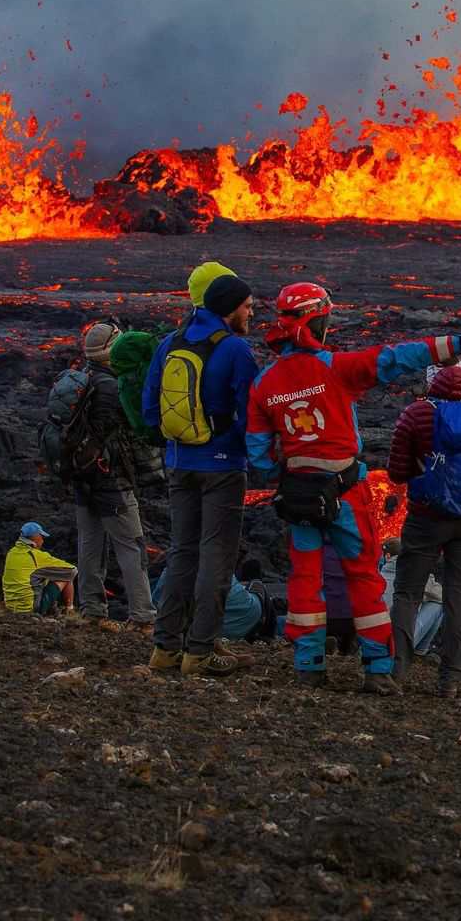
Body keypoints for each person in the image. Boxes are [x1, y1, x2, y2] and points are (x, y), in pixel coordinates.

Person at [245, 280, 461, 695]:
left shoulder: (263, 384)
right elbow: (397, 358)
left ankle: (308, 665)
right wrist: (457, 343)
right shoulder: (336, 367)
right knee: (364, 577)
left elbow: (257, 454)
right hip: (345, 494)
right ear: (321, 319)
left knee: (305, 580)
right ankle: (378, 670)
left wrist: (295, 462)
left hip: (297, 497)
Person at [143, 271, 258, 678]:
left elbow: (149, 411)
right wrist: (256, 457)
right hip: (222, 467)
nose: (251, 313)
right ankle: (201, 652)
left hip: (180, 464)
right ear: (229, 308)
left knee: (181, 553)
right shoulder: (235, 351)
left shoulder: (170, 343)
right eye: (247, 306)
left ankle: (165, 648)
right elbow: (252, 415)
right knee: (216, 559)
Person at [388, 363, 461, 698]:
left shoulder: (417, 414)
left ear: (434, 381)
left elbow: (396, 472)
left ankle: (397, 670)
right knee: (460, 595)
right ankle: (452, 678)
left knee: (407, 592)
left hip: (427, 516)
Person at [74, 322, 155, 635]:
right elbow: (129, 430)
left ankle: (91, 611)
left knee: (90, 541)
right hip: (111, 480)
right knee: (131, 545)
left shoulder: (81, 380)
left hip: (82, 476)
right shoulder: (111, 387)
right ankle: (144, 616)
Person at [380, 538, 443, 657]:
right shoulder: (419, 576)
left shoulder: (376, 576)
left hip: (373, 640)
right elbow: (442, 596)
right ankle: (420, 650)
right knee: (438, 604)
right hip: (398, 644)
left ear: (388, 557)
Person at [2, 523, 78, 616]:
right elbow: (72, 570)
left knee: (45, 576)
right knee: (66, 576)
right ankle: (69, 610)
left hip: (11, 606)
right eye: (42, 536)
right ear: (36, 537)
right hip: (29, 608)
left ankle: (55, 609)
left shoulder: (11, 552)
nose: (42, 540)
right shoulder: (36, 556)